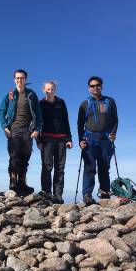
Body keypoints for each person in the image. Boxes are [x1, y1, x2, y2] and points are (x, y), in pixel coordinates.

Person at [0, 69, 42, 195]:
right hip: (14, 130)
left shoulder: (31, 94)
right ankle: (13, 183)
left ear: (25, 79)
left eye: (22, 78)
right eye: (17, 78)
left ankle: (22, 183)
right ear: (14, 80)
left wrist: (36, 129)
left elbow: (38, 113)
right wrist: (5, 127)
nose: (19, 80)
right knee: (14, 156)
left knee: (25, 156)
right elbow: (1, 111)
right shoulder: (10, 95)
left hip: (28, 130)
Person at [77, 76, 119, 205]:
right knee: (89, 167)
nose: (95, 87)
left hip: (106, 138)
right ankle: (87, 195)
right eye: (93, 86)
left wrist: (113, 133)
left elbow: (115, 120)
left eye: (98, 85)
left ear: (102, 86)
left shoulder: (110, 101)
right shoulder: (85, 103)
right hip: (90, 139)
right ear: (89, 88)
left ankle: (105, 192)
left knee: (104, 167)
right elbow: (80, 124)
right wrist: (81, 140)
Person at [37, 81, 72, 203]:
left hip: (62, 139)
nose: (50, 91)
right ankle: (46, 193)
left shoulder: (61, 103)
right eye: (48, 89)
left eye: (52, 89)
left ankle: (58, 195)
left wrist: (69, 139)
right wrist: (38, 140)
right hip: (46, 139)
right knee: (47, 166)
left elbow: (66, 121)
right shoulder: (40, 103)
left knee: (60, 167)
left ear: (55, 90)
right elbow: (37, 123)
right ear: (43, 90)